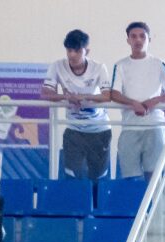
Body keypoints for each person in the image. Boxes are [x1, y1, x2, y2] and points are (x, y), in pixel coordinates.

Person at [109, 21, 165, 178]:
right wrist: (133, 103)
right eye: (134, 36)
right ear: (128, 40)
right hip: (129, 127)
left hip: (155, 125)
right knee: (130, 178)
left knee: (154, 176)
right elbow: (114, 94)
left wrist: (154, 101)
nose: (138, 40)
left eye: (142, 36)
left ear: (149, 39)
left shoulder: (158, 63)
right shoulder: (120, 65)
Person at [44, 29, 113, 181]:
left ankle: (97, 197)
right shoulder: (57, 66)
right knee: (71, 176)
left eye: (77, 50)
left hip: (99, 129)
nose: (72, 55)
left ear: (86, 51)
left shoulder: (99, 67)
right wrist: (66, 97)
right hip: (74, 129)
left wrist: (83, 97)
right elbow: (45, 93)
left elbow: (107, 96)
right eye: (69, 50)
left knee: (98, 179)